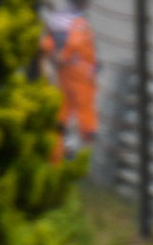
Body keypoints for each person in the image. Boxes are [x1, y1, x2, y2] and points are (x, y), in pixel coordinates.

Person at [40, 0, 98, 158]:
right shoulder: (77, 22)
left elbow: (47, 43)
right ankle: (71, 150)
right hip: (74, 72)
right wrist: (62, 57)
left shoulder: (57, 19)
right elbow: (74, 44)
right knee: (73, 113)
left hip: (66, 70)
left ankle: (63, 148)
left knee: (63, 113)